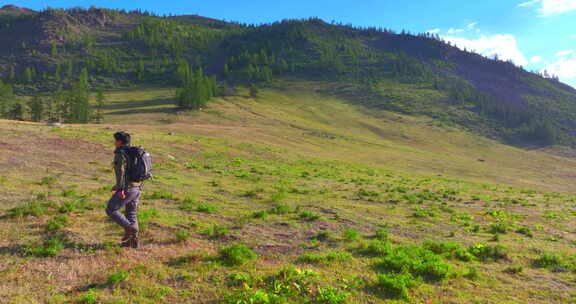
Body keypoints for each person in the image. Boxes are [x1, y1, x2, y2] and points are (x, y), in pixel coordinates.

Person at [106, 131, 142, 248]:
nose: (114, 143)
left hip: (127, 188)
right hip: (137, 187)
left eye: (115, 140)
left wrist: (120, 188)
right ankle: (131, 243)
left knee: (111, 209)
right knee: (131, 213)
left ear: (119, 142)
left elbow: (120, 171)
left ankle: (129, 229)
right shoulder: (133, 152)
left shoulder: (120, 153)